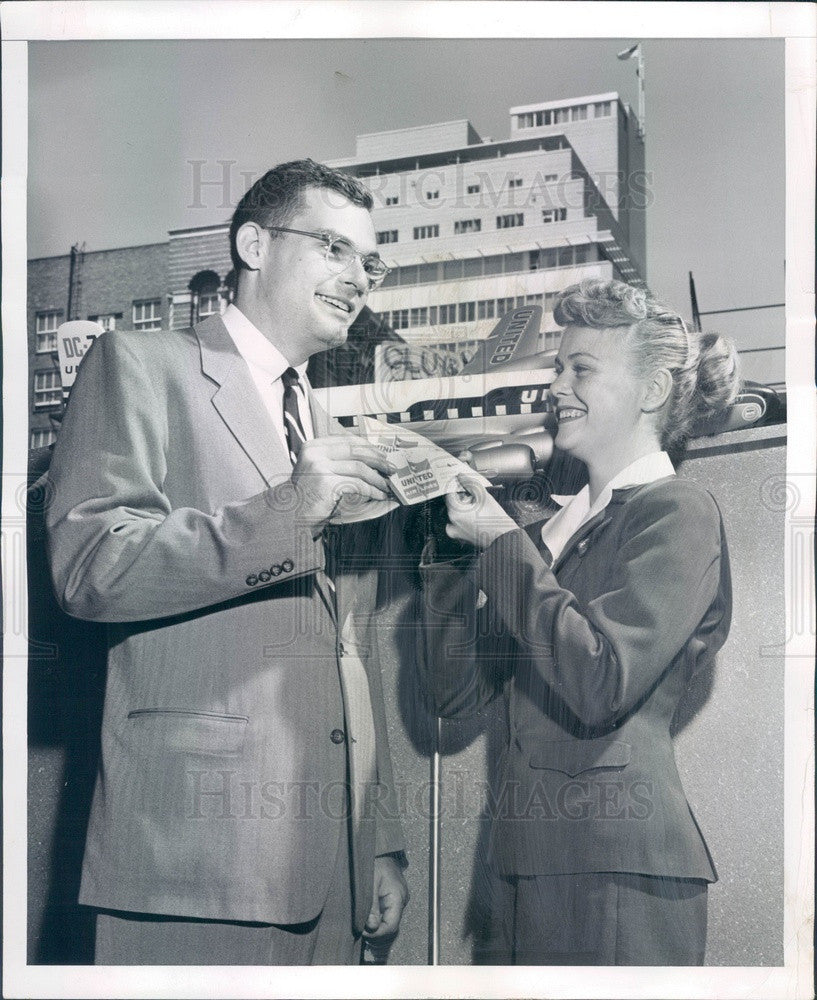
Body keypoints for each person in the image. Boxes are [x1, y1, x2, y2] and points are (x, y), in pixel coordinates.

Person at [45, 159, 409, 965]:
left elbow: (345, 643)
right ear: (253, 243)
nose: (357, 279)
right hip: (192, 853)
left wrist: (375, 833)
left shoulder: (319, 421)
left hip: (331, 865)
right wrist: (288, 510)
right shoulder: (138, 364)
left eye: (369, 262)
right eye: (333, 248)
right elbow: (88, 568)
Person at [420, 278, 740, 965]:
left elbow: (600, 680)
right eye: (557, 367)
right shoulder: (543, 539)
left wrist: (502, 545)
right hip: (522, 864)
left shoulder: (675, 510)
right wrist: (453, 553)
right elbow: (451, 695)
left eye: (581, 369)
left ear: (651, 391)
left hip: (617, 866)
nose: (555, 386)